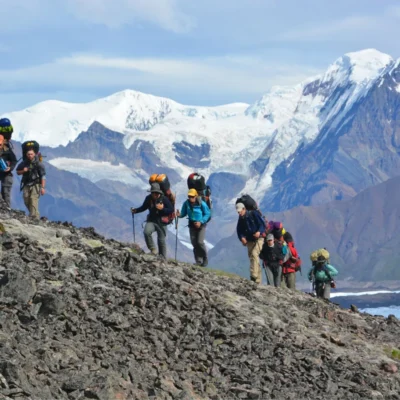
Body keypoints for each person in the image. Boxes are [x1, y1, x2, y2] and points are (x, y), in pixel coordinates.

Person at [131, 182, 173, 258]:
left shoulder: (164, 199)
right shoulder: (148, 198)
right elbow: (144, 207)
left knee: (161, 240)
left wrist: (162, 209)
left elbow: (171, 210)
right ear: (152, 193)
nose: (155, 195)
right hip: (152, 220)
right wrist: (136, 210)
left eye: (157, 193)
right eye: (154, 193)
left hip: (162, 222)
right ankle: (153, 249)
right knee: (146, 232)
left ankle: (162, 257)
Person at [176, 188, 211, 267]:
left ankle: (205, 258)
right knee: (194, 243)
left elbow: (207, 213)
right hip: (192, 225)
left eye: (192, 196)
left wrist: (201, 222)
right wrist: (179, 215)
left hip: (201, 225)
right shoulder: (186, 203)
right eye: (189, 196)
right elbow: (183, 213)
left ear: (196, 196)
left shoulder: (201, 203)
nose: (190, 198)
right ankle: (198, 261)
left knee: (200, 242)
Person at [236, 202, 266, 283]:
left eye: (240, 211)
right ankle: (258, 281)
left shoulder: (254, 214)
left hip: (259, 239)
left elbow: (262, 225)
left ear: (244, 209)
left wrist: (259, 232)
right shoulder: (241, 219)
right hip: (249, 240)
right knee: (253, 259)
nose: (239, 213)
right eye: (238, 212)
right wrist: (242, 238)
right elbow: (239, 230)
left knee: (254, 254)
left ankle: (253, 276)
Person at [16, 148, 46, 218]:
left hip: (36, 184)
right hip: (26, 184)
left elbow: (43, 176)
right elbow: (17, 172)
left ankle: (33, 217)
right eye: (28, 154)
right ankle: (36, 215)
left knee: (33, 199)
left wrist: (43, 187)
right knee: (26, 200)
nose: (30, 155)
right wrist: (23, 171)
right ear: (26, 155)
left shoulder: (39, 164)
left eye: (31, 154)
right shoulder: (24, 163)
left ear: (34, 154)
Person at [0, 133, 17, 208]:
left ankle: (7, 209)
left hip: (6, 173)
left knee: (6, 192)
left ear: (3, 142)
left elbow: (14, 160)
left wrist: (10, 167)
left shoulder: (8, 151)